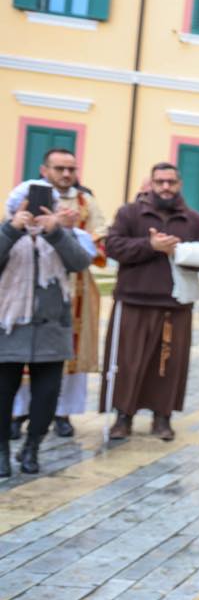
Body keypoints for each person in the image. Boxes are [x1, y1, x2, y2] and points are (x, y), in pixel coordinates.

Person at [101, 162, 199, 442]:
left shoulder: (194, 220)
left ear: (179, 185)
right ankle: (123, 417)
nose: (165, 187)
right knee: (127, 362)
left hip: (174, 305)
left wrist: (181, 250)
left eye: (171, 182)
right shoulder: (129, 214)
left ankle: (162, 417)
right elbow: (113, 246)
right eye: (160, 182)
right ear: (151, 184)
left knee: (168, 364)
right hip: (134, 302)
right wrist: (149, 246)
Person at [8, 150, 107, 441]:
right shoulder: (25, 194)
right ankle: (18, 412)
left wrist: (69, 230)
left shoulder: (86, 202)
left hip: (76, 287)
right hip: (25, 284)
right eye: (59, 168)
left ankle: (63, 413)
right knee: (21, 352)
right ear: (44, 169)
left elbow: (100, 239)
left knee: (69, 355)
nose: (66, 174)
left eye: (71, 169)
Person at [0, 187, 91, 474]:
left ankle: (32, 448)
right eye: (26, 205)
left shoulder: (61, 233)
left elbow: (80, 262)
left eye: (44, 205)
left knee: (47, 395)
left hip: (53, 328)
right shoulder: (6, 230)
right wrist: (13, 229)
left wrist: (57, 231)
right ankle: (1, 450)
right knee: (2, 395)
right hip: (8, 328)